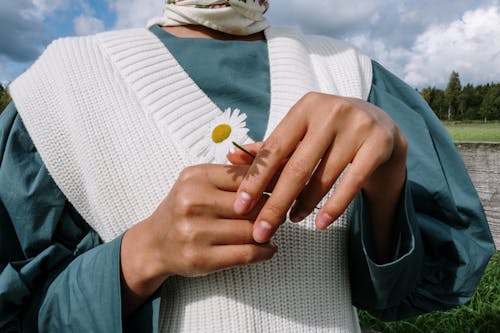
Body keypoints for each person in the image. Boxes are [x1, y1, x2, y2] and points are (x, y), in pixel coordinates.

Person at [0, 1, 495, 332]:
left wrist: (387, 179)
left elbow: (400, 293)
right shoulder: (57, 90)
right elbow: (19, 311)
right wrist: (139, 255)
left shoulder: (357, 74)